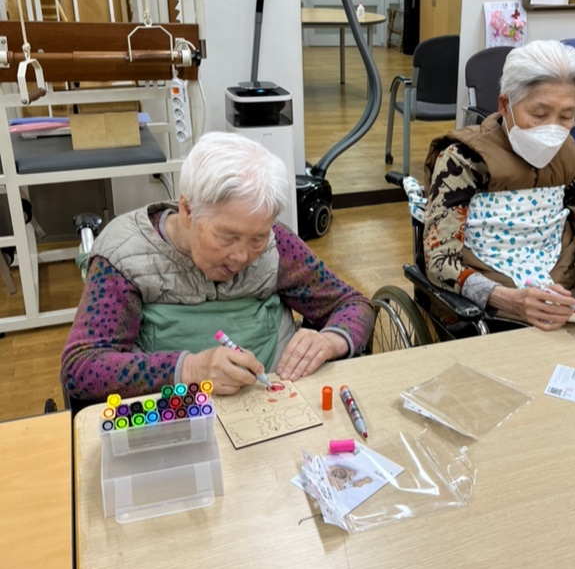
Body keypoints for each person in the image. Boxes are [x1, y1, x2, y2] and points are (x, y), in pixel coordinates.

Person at [61, 132, 374, 401]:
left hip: (276, 400)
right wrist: (190, 369)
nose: (241, 256)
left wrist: (330, 340)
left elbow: (354, 304)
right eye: (227, 237)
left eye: (257, 239)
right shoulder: (125, 255)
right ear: (187, 211)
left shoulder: (277, 243)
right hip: (177, 414)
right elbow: (81, 368)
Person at [423, 39, 575, 331]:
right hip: (484, 311)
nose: (552, 128)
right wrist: (506, 300)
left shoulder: (566, 155)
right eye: (539, 115)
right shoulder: (464, 159)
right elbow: (440, 260)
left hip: (563, 302)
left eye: (566, 117)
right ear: (505, 105)